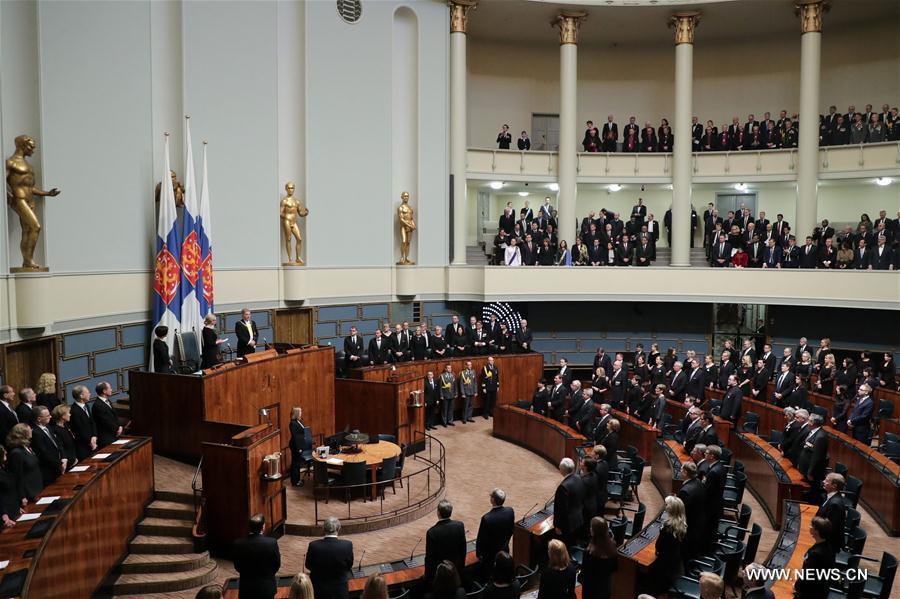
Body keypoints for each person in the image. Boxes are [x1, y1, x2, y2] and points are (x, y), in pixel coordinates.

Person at [234, 514, 281, 599]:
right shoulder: (271, 543)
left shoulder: (238, 544)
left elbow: (237, 566)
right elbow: (277, 564)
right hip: (266, 588)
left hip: (246, 588)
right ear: (263, 527)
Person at [305, 516, 354, 599]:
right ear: (339, 529)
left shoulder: (314, 546)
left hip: (319, 590)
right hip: (340, 590)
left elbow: (308, 565)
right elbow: (349, 566)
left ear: (323, 529)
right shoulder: (347, 545)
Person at [647, 495, 686, 596]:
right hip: (676, 561)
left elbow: (659, 547)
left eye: (667, 505)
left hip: (665, 565)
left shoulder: (668, 528)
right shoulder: (682, 524)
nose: (665, 507)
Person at [475, 488, 515, 582]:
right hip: (505, 549)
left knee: (490, 577)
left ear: (492, 500)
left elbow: (481, 540)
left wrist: (479, 554)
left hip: (490, 556)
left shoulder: (487, 518)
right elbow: (511, 530)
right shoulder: (510, 511)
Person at [425, 500, 467, 584]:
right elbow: (463, 549)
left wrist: (427, 575)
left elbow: (430, 557)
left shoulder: (432, 532)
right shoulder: (459, 525)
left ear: (438, 513)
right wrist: (461, 565)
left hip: (440, 573)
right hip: (456, 567)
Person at [794, 517, 835, 598]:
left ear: (816, 531)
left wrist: (797, 587)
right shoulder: (828, 546)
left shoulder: (816, 554)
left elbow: (808, 576)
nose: (809, 527)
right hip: (821, 587)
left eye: (811, 526)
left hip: (812, 593)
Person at [578, 516, 617, 599]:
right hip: (605, 587)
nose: (590, 529)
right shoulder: (613, 545)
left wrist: (579, 577)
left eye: (591, 527)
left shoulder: (589, 552)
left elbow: (585, 574)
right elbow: (614, 568)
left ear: (594, 531)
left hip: (591, 590)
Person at [676, 462, 706, 563]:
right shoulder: (698, 482)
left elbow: (680, 511)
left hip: (689, 524)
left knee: (686, 550)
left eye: (681, 470)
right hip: (699, 520)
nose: (679, 472)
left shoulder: (685, 491)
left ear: (685, 472)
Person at [6, 423, 42, 504]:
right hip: (29, 493)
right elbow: (17, 476)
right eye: (29, 429)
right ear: (23, 433)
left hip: (37, 489)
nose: (31, 430)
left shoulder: (27, 447)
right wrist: (22, 496)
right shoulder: (16, 453)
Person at [553, 457, 585, 548]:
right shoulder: (578, 478)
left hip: (567, 524)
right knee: (573, 542)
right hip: (578, 518)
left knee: (566, 545)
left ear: (563, 469)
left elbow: (561, 509)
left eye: (560, 468)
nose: (559, 469)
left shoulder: (563, 487)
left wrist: (558, 526)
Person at [30, 406, 64, 487]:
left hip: (58, 465)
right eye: (48, 415)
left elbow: (57, 443)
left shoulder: (48, 426)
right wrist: (59, 464)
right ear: (39, 419)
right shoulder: (35, 433)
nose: (51, 417)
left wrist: (64, 457)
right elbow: (44, 453)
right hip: (49, 470)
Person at [797, 414, 828, 503]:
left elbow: (817, 457)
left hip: (812, 472)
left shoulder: (820, 437)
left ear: (814, 423)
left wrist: (810, 472)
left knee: (813, 491)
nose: (807, 422)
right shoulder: (813, 432)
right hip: (805, 468)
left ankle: (813, 506)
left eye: (809, 421)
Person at [817, 473, 848, 552]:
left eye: (827, 481)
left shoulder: (835, 504)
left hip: (828, 546)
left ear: (834, 486)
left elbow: (830, 528)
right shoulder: (830, 496)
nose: (823, 482)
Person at [68, 385, 97, 460]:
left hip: (92, 441)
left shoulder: (86, 406)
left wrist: (94, 436)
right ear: (81, 395)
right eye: (87, 392)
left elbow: (92, 422)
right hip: (83, 446)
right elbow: (79, 430)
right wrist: (90, 441)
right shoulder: (74, 411)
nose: (90, 394)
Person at [93, 382, 122, 448]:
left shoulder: (107, 401)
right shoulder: (98, 405)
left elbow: (114, 415)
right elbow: (106, 421)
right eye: (110, 388)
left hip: (114, 435)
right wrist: (117, 429)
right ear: (104, 391)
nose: (111, 390)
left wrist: (119, 425)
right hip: (106, 438)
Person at [289, 406, 312, 486]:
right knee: (295, 464)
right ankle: (295, 482)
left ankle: (298, 480)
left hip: (300, 445)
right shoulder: (293, 423)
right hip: (296, 446)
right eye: (300, 412)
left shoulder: (298, 421)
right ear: (296, 413)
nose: (301, 413)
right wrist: (299, 448)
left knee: (297, 464)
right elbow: (295, 437)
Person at [50, 405, 77, 470]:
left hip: (74, 458)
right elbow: (61, 448)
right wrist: (72, 460)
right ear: (62, 416)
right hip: (68, 463)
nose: (70, 415)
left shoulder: (66, 425)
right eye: (68, 413)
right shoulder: (55, 430)